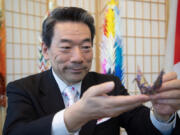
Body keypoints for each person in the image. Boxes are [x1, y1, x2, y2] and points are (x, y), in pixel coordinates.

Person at [3, 7, 180, 135]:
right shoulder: (22, 89)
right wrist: (74, 116)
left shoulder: (109, 85)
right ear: (45, 50)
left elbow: (142, 127)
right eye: (66, 47)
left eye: (86, 46)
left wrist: (162, 116)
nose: (78, 57)